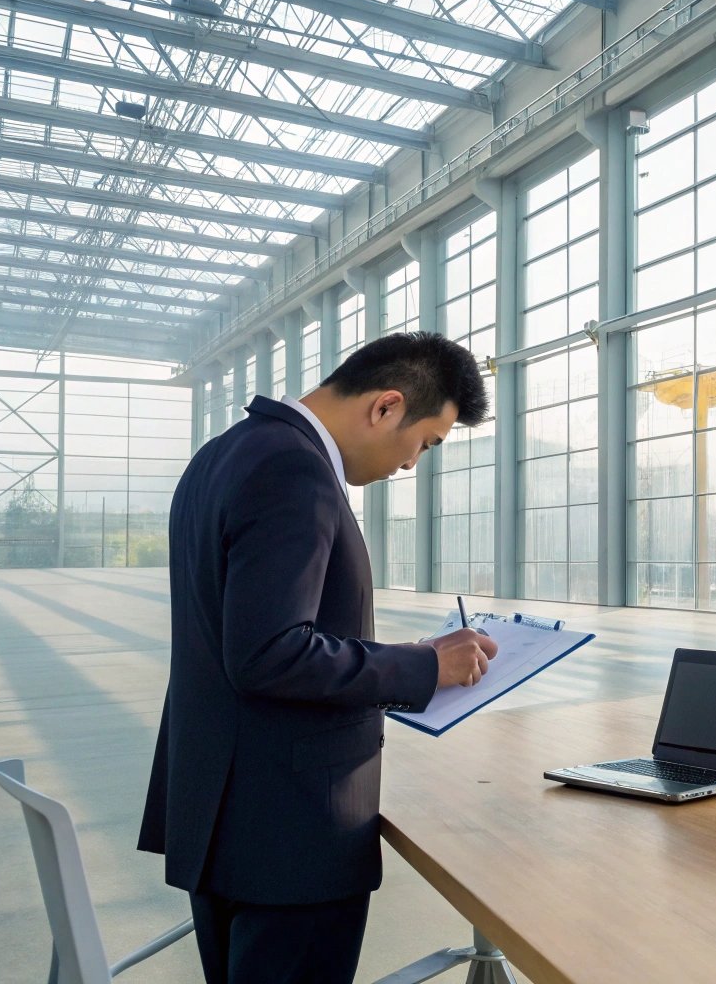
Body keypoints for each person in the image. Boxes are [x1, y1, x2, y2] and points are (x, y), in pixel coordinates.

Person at [138, 331, 497, 983]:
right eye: (426, 443)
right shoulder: (294, 471)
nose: (413, 465)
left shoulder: (224, 454)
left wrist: (399, 656)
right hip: (290, 833)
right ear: (386, 407)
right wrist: (424, 667)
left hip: (228, 815)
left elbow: (247, 635)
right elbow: (269, 654)